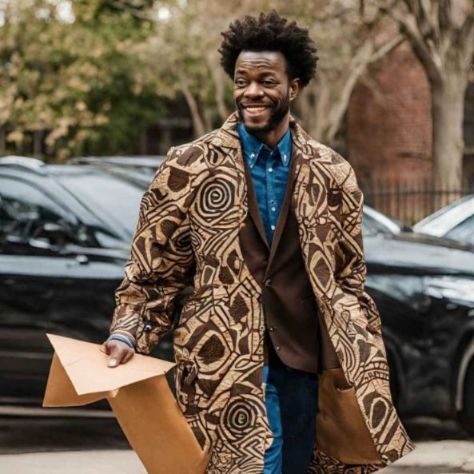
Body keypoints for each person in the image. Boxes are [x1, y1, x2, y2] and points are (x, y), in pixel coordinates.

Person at [104, 11, 414, 473]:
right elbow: (153, 272)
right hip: (224, 364)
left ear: (293, 87)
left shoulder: (332, 173)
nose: (251, 91)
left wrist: (361, 353)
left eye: (266, 80)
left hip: (308, 360)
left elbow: (349, 277)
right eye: (242, 80)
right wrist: (128, 331)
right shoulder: (189, 167)